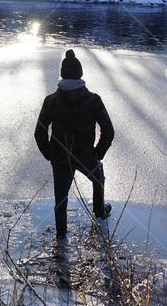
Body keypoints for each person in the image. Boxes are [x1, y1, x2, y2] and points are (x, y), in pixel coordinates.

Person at [34, 49, 115, 240]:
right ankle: (99, 211)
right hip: (87, 156)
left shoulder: (51, 101)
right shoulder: (93, 100)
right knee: (98, 180)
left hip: (60, 159)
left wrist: (50, 154)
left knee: (60, 201)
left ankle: (61, 234)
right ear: (80, 74)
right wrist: (98, 153)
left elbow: (39, 132)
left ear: (62, 75)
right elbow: (109, 131)